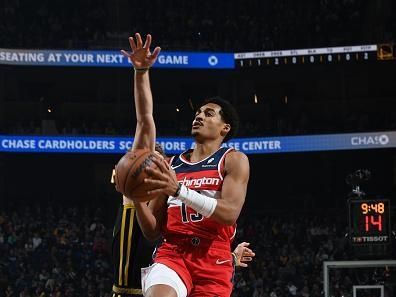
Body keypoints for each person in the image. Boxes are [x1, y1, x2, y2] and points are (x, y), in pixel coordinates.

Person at [111, 33, 253, 297]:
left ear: (225, 127)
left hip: (215, 257)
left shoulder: (233, 160)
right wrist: (136, 198)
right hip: (172, 253)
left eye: (208, 114)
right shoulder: (170, 165)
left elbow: (230, 213)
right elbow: (153, 230)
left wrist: (179, 191)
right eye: (197, 113)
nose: (199, 116)